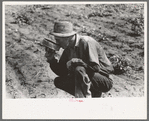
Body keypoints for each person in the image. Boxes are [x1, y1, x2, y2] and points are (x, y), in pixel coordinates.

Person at [45, 21, 114, 98]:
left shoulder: (86, 42)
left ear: (67, 37)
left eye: (58, 40)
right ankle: (91, 95)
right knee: (59, 81)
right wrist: (52, 60)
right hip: (87, 78)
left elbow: (95, 68)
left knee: (79, 69)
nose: (57, 43)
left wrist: (78, 62)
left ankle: (84, 99)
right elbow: (62, 72)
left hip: (103, 79)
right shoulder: (68, 48)